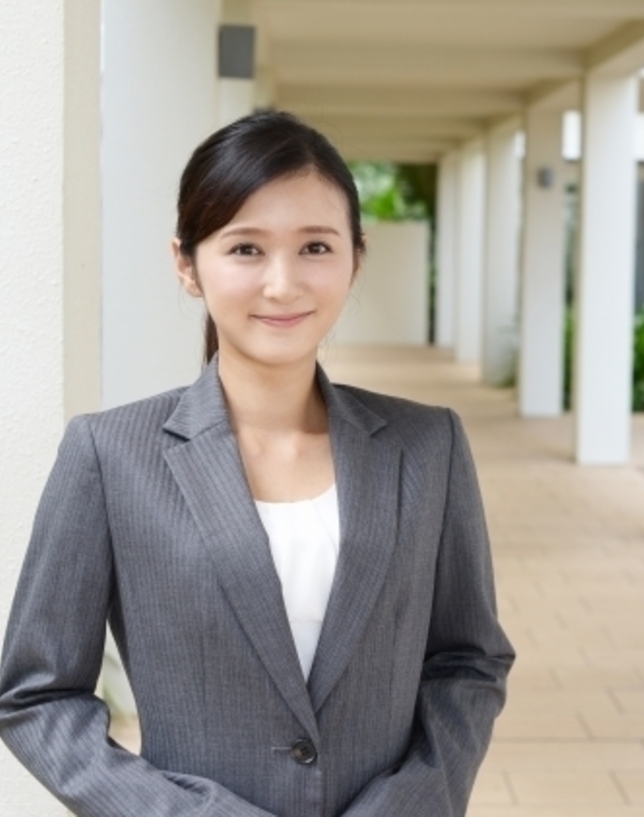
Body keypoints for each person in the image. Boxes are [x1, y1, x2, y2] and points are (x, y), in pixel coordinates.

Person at [0, 110, 514, 817]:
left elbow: (469, 661)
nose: (282, 284)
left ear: (355, 258)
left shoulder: (429, 447)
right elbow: (37, 694)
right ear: (187, 263)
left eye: (315, 247)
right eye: (245, 249)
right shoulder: (110, 454)